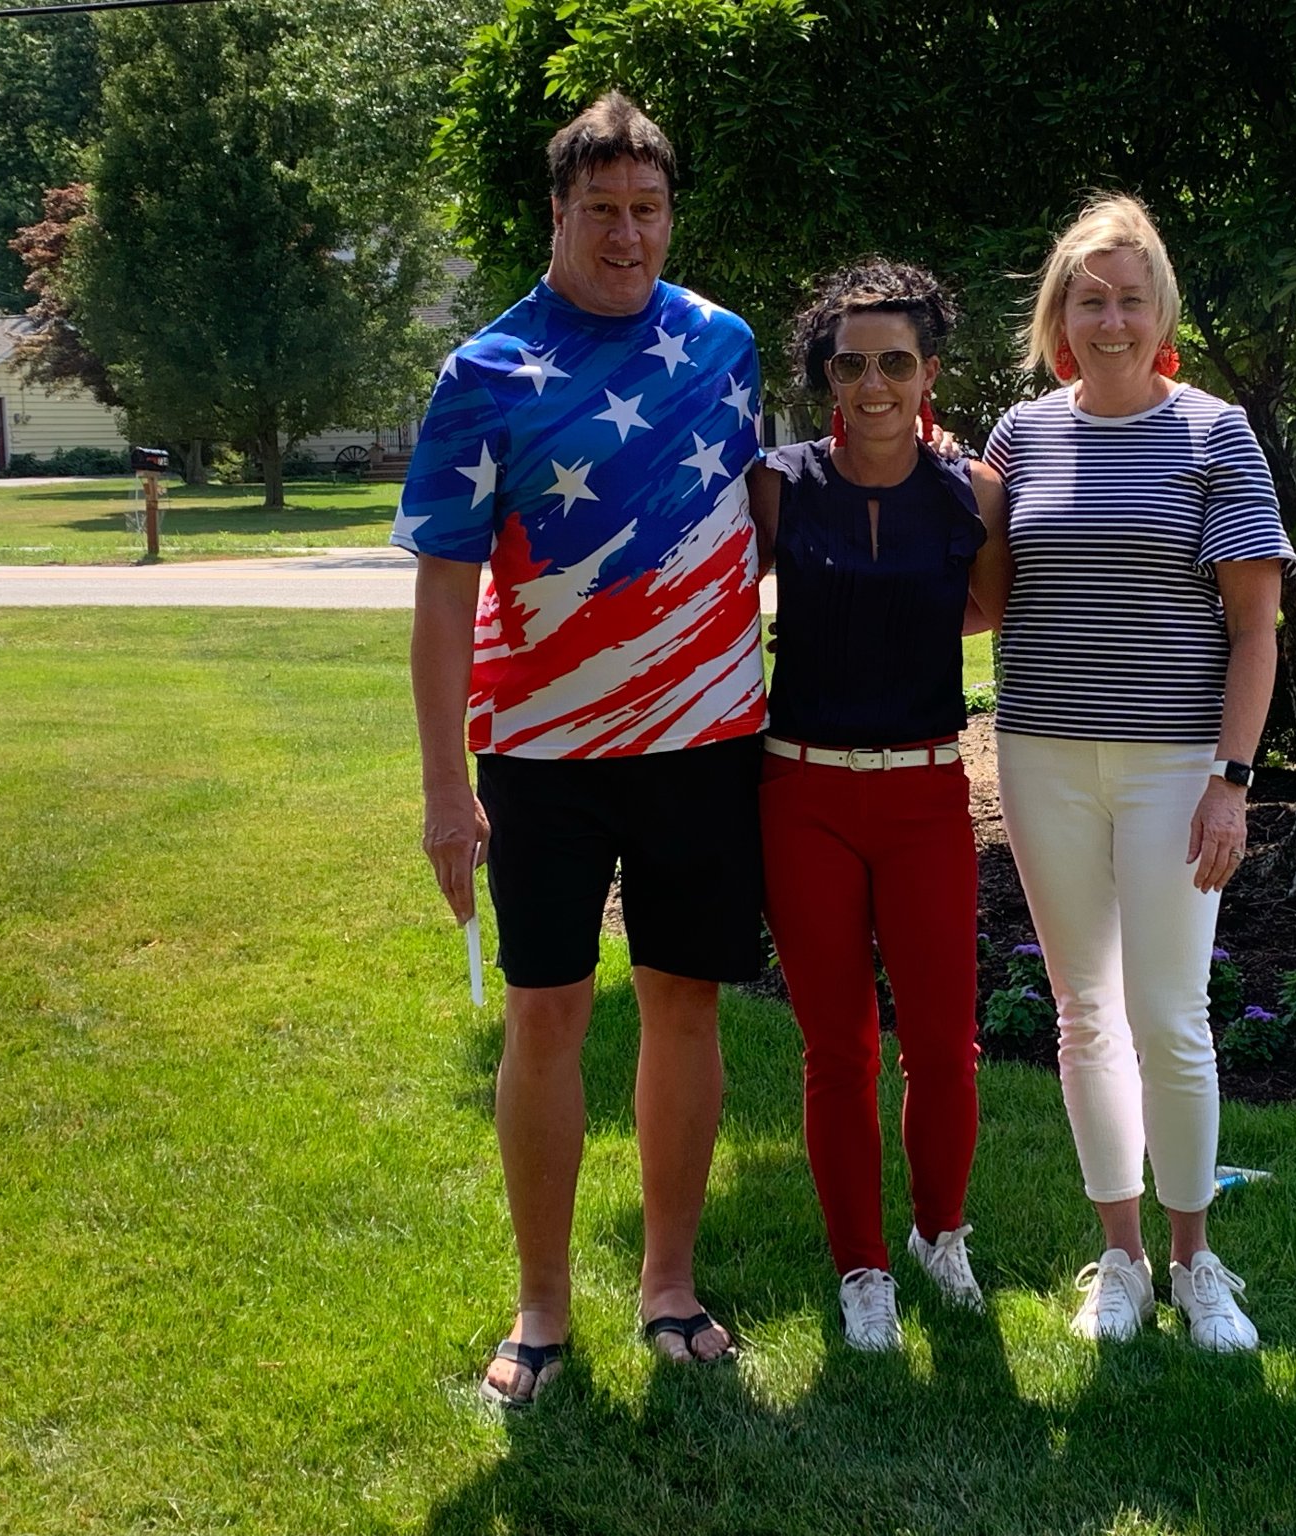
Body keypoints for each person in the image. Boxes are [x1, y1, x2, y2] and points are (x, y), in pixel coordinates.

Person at [399, 90, 768, 1405]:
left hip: (706, 741)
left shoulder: (727, 347)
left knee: (684, 1001)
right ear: (558, 212)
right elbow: (445, 591)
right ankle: (542, 1307)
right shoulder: (485, 374)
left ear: (672, 214)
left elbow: (755, 520)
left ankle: (669, 1283)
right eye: (601, 210)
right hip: (542, 756)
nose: (627, 235)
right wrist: (448, 791)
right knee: (546, 1013)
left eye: (648, 209)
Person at [984, 194, 1296, 1351]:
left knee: (1171, 1014)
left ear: (1159, 308)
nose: (1107, 319)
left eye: (1129, 298)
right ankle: (1116, 1257)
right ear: (1057, 312)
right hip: (1041, 754)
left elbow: (1255, 628)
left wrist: (1233, 777)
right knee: (1082, 1013)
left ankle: (1194, 1258)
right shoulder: (1019, 438)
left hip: (1176, 764)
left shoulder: (1214, 434)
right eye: (1087, 296)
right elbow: (983, 594)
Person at [747, 261, 1011, 1351]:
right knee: (838, 1049)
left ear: (929, 372)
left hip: (922, 794)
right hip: (799, 790)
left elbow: (982, 613)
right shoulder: (777, 483)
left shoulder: (972, 494)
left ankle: (936, 1236)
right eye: (848, 363)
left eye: (893, 362)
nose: (870, 383)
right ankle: (861, 1266)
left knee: (945, 1044)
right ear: (822, 375)